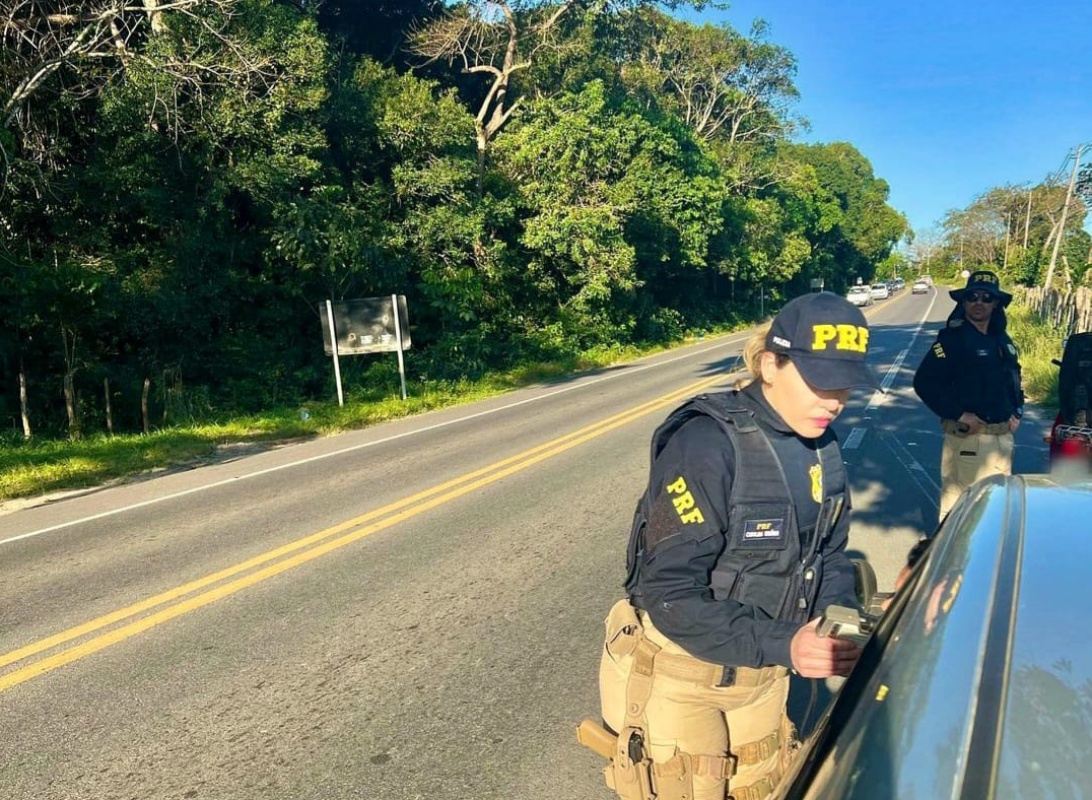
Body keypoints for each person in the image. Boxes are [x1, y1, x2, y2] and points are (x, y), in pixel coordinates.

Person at [590, 292, 878, 800]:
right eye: (819, 383)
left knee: (766, 788)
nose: (834, 401)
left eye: (846, 387)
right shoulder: (706, 444)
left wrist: (841, 621)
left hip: (761, 677)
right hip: (682, 676)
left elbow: (830, 553)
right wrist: (786, 644)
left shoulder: (822, 446)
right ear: (770, 365)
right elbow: (668, 593)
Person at [912, 270, 1023, 521]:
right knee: (961, 516)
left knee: (993, 515)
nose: (979, 302)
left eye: (986, 297)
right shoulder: (952, 341)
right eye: (973, 296)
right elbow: (924, 382)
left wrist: (1017, 411)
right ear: (964, 302)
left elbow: (1013, 379)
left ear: (996, 303)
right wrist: (959, 414)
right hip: (969, 443)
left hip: (1002, 441)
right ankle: (952, 561)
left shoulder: (1001, 340)